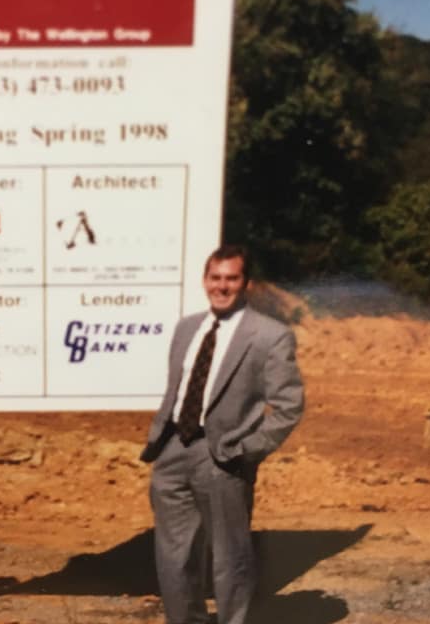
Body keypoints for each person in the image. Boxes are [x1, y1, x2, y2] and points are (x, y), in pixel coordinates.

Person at [140, 244, 304, 624]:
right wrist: (161, 439)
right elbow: (178, 390)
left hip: (224, 457)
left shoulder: (270, 335)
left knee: (230, 557)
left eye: (231, 278)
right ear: (205, 280)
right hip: (172, 450)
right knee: (173, 555)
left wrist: (246, 450)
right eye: (215, 278)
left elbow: (289, 406)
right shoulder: (186, 328)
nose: (222, 286)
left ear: (246, 283)